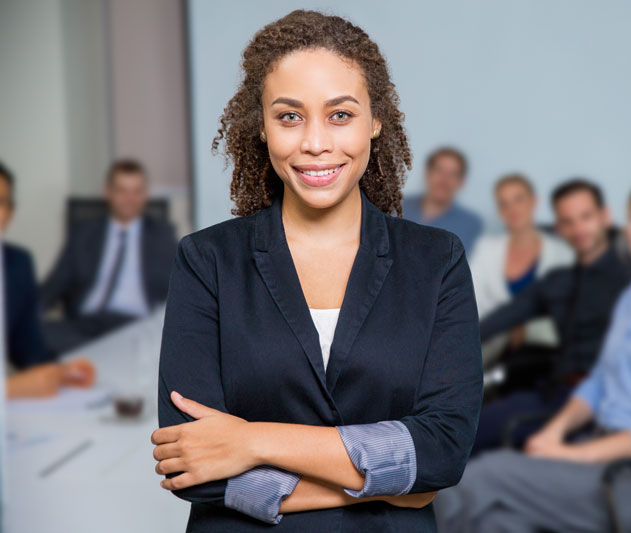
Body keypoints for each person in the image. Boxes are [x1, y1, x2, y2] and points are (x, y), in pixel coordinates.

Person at [151, 10, 483, 532]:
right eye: (289, 116)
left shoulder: (437, 261)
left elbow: (442, 453)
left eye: (340, 115)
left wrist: (251, 441)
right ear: (261, 127)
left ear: (375, 120)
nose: (315, 143)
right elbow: (192, 466)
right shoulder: (206, 260)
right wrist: (395, 484)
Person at [435, 176, 631, 533]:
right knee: (495, 522)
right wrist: (555, 434)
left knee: (481, 478)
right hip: (599, 451)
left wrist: (569, 455)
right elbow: (599, 383)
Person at [472, 179, 631, 455]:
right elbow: (494, 322)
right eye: (568, 221)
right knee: (463, 431)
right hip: (553, 393)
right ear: (559, 228)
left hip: (602, 405)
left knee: (472, 442)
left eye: (586, 217)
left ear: (605, 217)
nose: (578, 229)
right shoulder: (558, 282)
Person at [40, 159, 177, 355]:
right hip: (84, 326)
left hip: (134, 326)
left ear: (146, 195)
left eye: (137, 191)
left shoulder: (163, 235)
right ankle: (100, 360)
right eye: (122, 190)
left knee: (150, 345)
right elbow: (54, 285)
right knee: (38, 334)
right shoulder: (84, 234)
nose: (130, 198)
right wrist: (25, 316)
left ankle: (95, 361)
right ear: (107, 192)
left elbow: (175, 288)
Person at [0, 162, 94, 398]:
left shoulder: (17, 264)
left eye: (0, 201)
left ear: (10, 211)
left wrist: (60, 372)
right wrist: (9, 389)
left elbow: (28, 351)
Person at [469, 173, 573, 365]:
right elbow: (469, 302)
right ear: (499, 211)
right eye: (504, 204)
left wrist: (524, 327)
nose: (512, 209)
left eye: (518, 199)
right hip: (487, 345)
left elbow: (565, 317)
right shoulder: (486, 249)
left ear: (534, 202)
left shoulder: (563, 254)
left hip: (542, 352)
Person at [402, 147, 483, 255]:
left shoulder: (469, 225)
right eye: (439, 170)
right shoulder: (397, 207)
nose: (444, 180)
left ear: (461, 182)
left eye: (453, 174)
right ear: (426, 174)